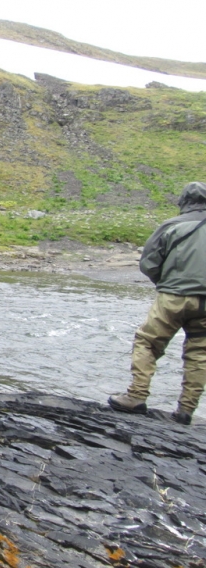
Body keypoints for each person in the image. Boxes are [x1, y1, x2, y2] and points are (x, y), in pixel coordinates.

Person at [108, 182, 206, 425]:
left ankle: (136, 396)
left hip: (172, 296)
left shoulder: (172, 226)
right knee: (199, 353)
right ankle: (185, 411)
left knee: (147, 342)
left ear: (184, 202)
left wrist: (164, 282)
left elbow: (149, 263)